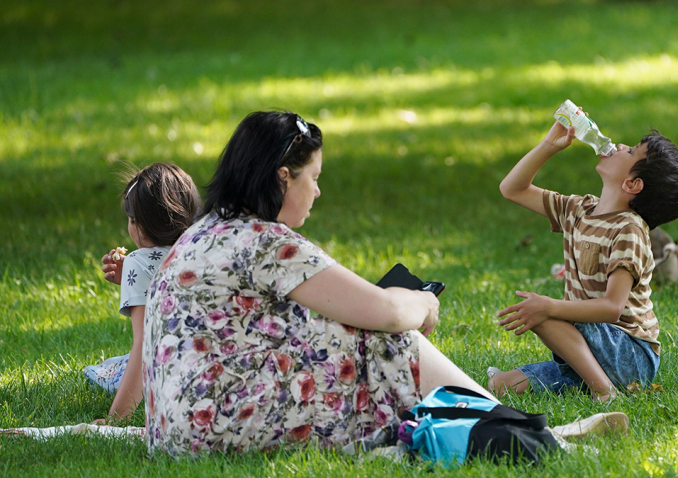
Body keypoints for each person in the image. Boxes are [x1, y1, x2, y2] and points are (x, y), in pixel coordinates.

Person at [142, 111, 498, 455]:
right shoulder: (265, 241)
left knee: (344, 329)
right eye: (313, 177)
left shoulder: (204, 231)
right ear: (284, 177)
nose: (318, 191)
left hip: (175, 427)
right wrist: (423, 302)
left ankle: (481, 418)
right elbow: (388, 313)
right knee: (386, 336)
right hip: (221, 423)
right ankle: (500, 422)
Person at [489, 118, 678, 401]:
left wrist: (550, 307)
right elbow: (512, 189)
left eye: (631, 151)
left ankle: (604, 390)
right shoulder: (579, 210)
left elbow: (611, 307)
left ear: (633, 184)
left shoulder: (628, 230)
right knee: (500, 386)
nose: (620, 145)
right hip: (593, 348)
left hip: (631, 355)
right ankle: (588, 380)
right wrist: (548, 146)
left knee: (542, 313)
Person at [83, 163, 200, 423]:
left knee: (108, 370)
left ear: (138, 225)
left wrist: (118, 418)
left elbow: (146, 344)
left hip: (173, 377)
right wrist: (131, 281)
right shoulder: (199, 249)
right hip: (206, 367)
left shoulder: (138, 261)